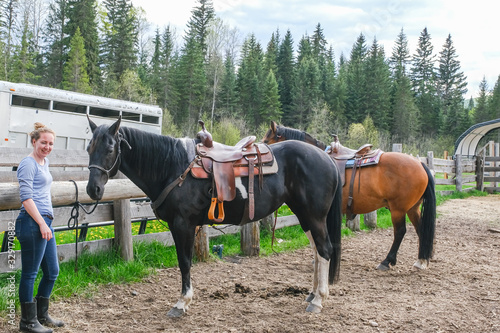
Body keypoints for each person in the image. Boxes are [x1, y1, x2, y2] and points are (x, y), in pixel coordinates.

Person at [15, 123, 64, 333]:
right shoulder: (28, 163)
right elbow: (26, 197)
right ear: (34, 141)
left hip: (45, 222)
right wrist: (42, 223)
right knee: (30, 274)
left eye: (51, 143)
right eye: (43, 142)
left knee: (52, 271)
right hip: (33, 222)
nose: (47, 146)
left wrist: (47, 222)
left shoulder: (44, 162)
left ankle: (41, 315)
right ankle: (27, 322)